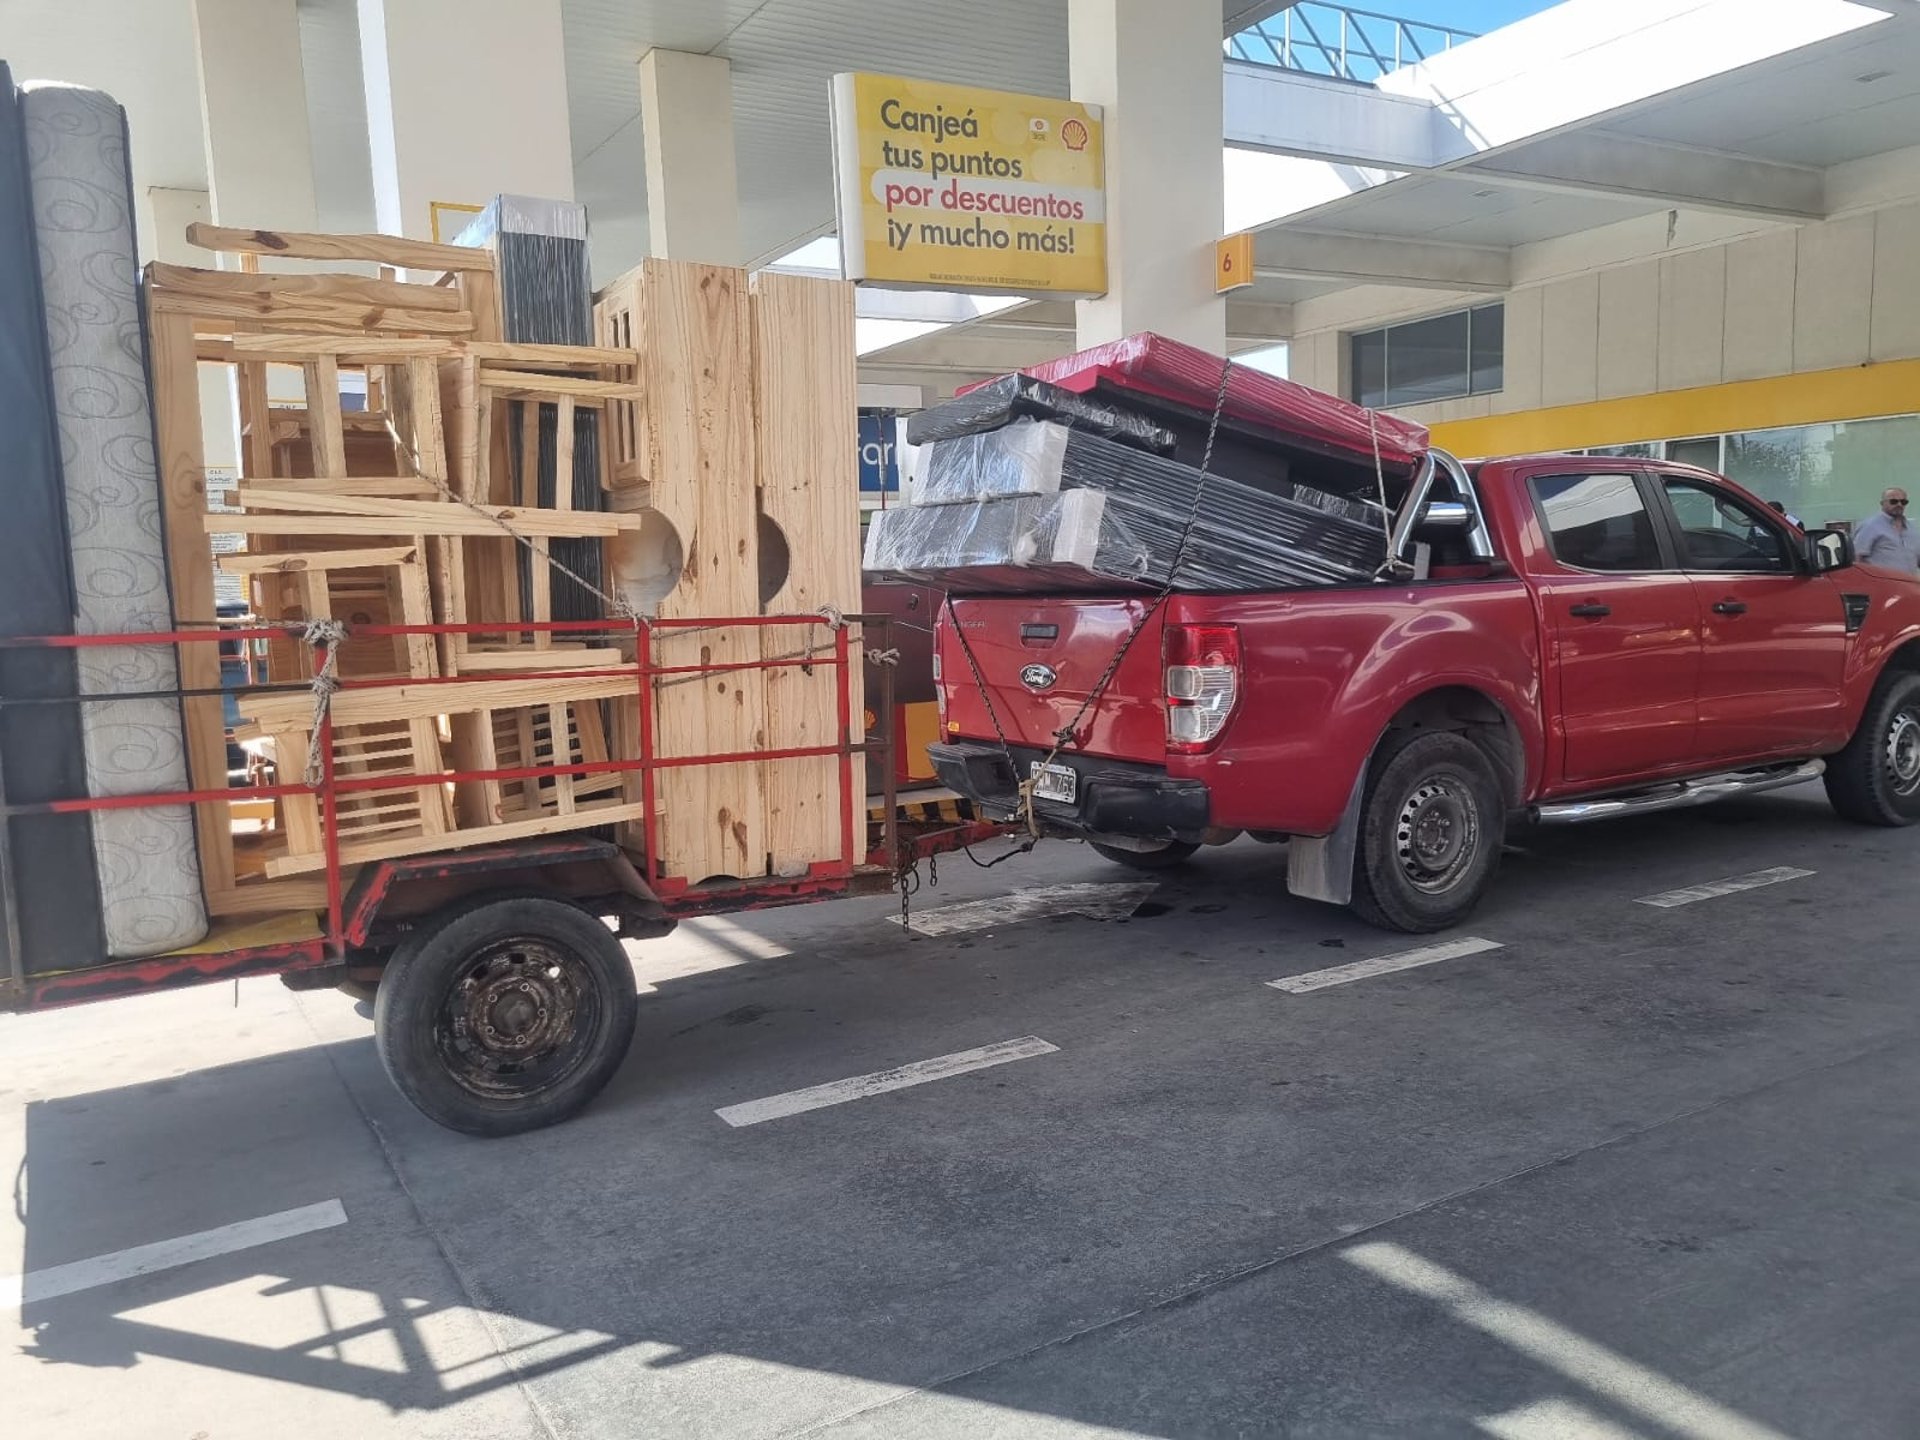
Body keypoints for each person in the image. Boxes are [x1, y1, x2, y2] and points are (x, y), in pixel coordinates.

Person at [1853, 488, 1920, 571]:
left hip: (1908, 578)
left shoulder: (1912, 528)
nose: (1899, 504)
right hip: (1880, 578)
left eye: (1903, 502)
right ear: (1882, 503)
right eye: (1893, 501)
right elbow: (1857, 557)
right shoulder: (1869, 526)